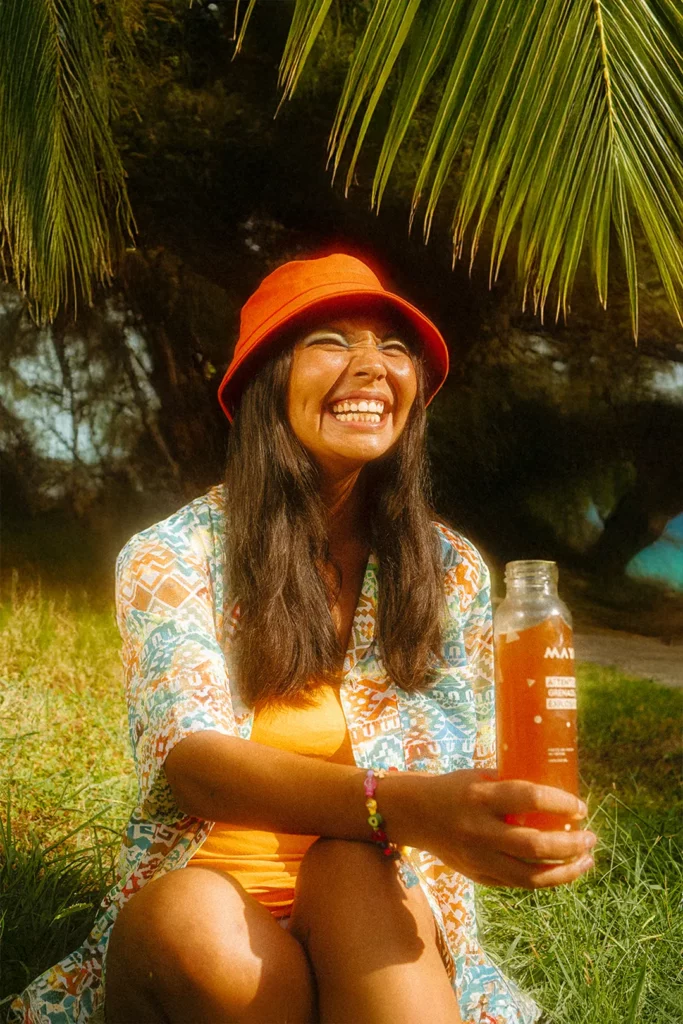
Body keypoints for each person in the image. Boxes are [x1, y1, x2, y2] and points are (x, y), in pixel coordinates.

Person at [11, 254, 595, 1024]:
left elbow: (474, 766)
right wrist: (408, 807)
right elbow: (194, 767)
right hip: (215, 926)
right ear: (267, 382)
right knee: (196, 922)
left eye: (393, 348)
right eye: (330, 341)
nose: (372, 365)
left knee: (353, 864)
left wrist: (511, 822)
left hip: (372, 911)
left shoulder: (448, 568)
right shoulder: (174, 554)